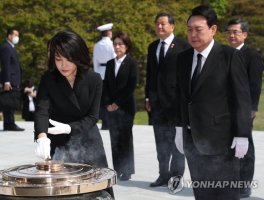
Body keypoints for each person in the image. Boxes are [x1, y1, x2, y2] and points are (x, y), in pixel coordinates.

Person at [175, 5, 252, 200]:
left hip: (222, 142)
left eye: (198, 29)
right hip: (193, 141)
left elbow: (242, 98)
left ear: (213, 29)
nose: (193, 34)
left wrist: (242, 134)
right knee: (202, 194)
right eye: (189, 29)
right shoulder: (183, 58)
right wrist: (179, 127)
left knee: (224, 194)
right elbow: (182, 96)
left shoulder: (230, 56)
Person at [34, 30, 114, 198]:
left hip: (88, 140)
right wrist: (42, 136)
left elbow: (93, 117)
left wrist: (69, 128)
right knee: (61, 191)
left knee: (96, 191)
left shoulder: (94, 79)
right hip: (58, 140)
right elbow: (42, 110)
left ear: (78, 56)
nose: (63, 65)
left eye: (68, 59)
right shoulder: (48, 79)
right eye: (58, 59)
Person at [144, 12, 189, 187]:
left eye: (163, 24)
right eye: (157, 24)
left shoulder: (183, 46)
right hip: (157, 104)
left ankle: (176, 177)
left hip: (176, 104)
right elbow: (150, 74)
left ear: (172, 26)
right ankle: (163, 175)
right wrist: (148, 96)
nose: (159, 27)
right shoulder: (152, 46)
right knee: (161, 141)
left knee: (177, 143)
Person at [226, 18, 264, 198]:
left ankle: (244, 185)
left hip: (244, 109)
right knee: (227, 146)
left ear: (245, 34)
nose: (232, 35)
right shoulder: (223, 53)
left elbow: (255, 84)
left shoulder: (252, 56)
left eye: (236, 32)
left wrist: (252, 108)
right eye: (229, 32)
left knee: (245, 146)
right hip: (223, 109)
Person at [103, 31, 137, 181]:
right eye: (115, 44)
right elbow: (106, 86)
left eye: (120, 44)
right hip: (111, 108)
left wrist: (117, 103)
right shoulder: (110, 64)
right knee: (114, 138)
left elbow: (131, 86)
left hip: (126, 108)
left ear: (127, 46)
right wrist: (108, 103)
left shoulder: (131, 63)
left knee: (125, 139)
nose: (117, 47)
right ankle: (117, 169)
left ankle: (127, 170)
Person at [0, 27, 24, 131]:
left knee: (11, 101)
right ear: (9, 35)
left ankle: (10, 123)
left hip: (13, 79)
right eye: (15, 35)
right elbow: (6, 65)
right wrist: (6, 80)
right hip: (9, 80)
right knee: (8, 102)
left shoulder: (11, 47)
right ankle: (9, 124)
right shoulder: (6, 47)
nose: (17, 37)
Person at [93, 23, 116, 130]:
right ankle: (109, 121)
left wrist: (96, 74)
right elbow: (114, 59)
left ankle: (103, 121)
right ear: (108, 32)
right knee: (110, 97)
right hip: (110, 72)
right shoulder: (112, 45)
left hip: (100, 72)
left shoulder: (97, 45)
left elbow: (95, 61)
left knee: (102, 98)